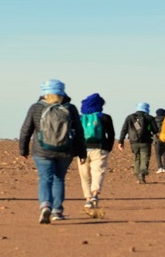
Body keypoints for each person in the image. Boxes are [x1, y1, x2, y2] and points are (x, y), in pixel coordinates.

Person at [19, 79, 87, 224]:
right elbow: (79, 132)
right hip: (65, 150)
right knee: (59, 179)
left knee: (45, 178)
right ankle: (57, 211)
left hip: (41, 151)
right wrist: (82, 153)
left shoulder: (36, 108)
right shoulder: (70, 108)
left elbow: (26, 130)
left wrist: (23, 149)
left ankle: (45, 205)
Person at [76, 93, 115, 214]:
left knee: (84, 175)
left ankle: (87, 199)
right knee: (98, 172)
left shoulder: (79, 118)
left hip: (82, 150)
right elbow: (111, 134)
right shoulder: (105, 117)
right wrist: (108, 147)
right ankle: (95, 194)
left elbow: (75, 134)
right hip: (100, 149)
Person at [118, 102, 158, 184]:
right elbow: (155, 130)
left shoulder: (130, 117)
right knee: (145, 158)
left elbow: (124, 129)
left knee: (136, 157)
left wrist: (120, 141)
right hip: (146, 142)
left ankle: (137, 175)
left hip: (133, 141)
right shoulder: (149, 118)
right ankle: (142, 173)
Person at [153, 108, 165, 174]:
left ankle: (160, 167)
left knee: (157, 153)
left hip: (156, 138)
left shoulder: (153, 119)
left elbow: (150, 128)